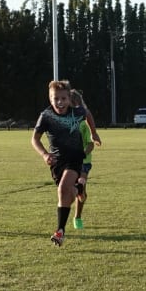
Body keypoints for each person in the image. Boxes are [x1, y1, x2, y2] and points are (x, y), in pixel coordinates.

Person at [31, 80, 88, 246]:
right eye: (56, 98)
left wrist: (94, 133)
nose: (60, 102)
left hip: (75, 158)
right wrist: (44, 154)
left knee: (63, 189)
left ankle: (60, 231)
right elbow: (34, 139)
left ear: (69, 99)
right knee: (66, 194)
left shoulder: (77, 112)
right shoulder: (46, 116)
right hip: (56, 161)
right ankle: (79, 188)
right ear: (50, 99)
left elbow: (88, 114)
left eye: (63, 98)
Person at [70, 90, 101, 230]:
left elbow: (89, 144)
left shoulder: (82, 124)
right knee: (72, 187)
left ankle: (77, 216)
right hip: (69, 161)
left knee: (81, 182)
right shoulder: (63, 123)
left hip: (84, 160)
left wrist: (82, 153)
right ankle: (78, 191)